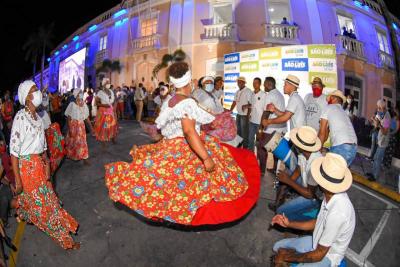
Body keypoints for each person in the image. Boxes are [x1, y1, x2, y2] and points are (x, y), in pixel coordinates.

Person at [104, 62, 260, 226]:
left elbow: (168, 128)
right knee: (200, 186)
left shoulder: (171, 100)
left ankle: (170, 213)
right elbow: (189, 131)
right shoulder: (186, 103)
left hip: (171, 145)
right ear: (189, 80)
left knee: (172, 186)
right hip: (185, 146)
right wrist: (206, 158)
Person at [10, 80, 79, 249]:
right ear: (26, 97)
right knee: (45, 206)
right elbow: (13, 152)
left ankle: (18, 207)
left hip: (40, 166)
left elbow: (43, 147)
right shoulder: (20, 117)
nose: (38, 92)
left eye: (37, 89)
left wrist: (47, 165)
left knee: (49, 201)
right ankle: (64, 239)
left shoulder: (39, 118)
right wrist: (18, 180)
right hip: (27, 168)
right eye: (34, 90)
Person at [272, 153, 355, 267]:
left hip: (328, 255)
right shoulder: (329, 196)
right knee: (277, 247)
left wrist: (286, 258)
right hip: (316, 242)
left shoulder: (338, 212)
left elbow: (319, 254)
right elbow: (317, 223)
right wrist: (288, 224)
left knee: (279, 259)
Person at [274, 126, 322, 221]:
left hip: (315, 197)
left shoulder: (315, 163)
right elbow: (298, 170)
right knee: (288, 173)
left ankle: (313, 217)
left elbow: (310, 194)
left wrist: (288, 181)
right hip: (307, 185)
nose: (293, 144)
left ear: (301, 146)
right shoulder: (303, 154)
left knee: (280, 212)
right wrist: (286, 183)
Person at [318, 90, 358, 166]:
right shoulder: (342, 112)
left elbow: (322, 132)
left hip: (341, 147)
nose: (328, 100)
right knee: (338, 175)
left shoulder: (328, 107)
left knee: (329, 174)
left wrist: (317, 151)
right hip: (353, 148)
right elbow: (326, 134)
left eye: (330, 98)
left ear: (334, 99)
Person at [192, 76, 237, 143]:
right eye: (207, 82)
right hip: (208, 122)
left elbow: (218, 106)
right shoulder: (198, 92)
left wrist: (224, 111)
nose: (209, 84)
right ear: (202, 84)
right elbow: (197, 105)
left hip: (216, 120)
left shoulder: (213, 94)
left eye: (211, 83)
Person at [257, 77, 287, 174]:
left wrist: (261, 128)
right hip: (281, 127)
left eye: (264, 84)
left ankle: (261, 170)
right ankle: (274, 168)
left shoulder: (270, 95)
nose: (263, 86)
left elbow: (266, 113)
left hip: (271, 128)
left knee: (261, 147)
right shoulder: (280, 94)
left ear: (269, 84)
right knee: (276, 149)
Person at [65, 89, 93, 164]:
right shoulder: (72, 104)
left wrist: (91, 127)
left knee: (83, 142)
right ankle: (73, 155)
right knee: (73, 142)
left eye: (81, 93)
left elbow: (86, 118)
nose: (81, 94)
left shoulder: (84, 104)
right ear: (76, 95)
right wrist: (70, 128)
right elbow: (68, 118)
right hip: (73, 125)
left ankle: (85, 158)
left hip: (81, 126)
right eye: (79, 93)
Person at [366, 100, 391, 181]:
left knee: (378, 159)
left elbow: (385, 131)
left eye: (379, 108)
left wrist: (379, 124)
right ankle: (373, 173)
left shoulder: (387, 117)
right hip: (379, 140)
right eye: (378, 108)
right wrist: (374, 120)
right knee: (375, 158)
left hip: (383, 141)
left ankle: (375, 176)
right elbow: (376, 125)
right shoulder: (381, 114)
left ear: (383, 107)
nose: (378, 109)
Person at [38, 104, 65, 175]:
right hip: (44, 137)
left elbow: (49, 124)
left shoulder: (43, 113)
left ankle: (52, 169)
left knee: (51, 153)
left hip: (48, 136)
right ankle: (51, 170)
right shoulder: (40, 114)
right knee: (49, 154)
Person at [230, 77, 253, 148]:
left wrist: (247, 116)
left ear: (244, 83)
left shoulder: (248, 91)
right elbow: (234, 102)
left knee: (244, 133)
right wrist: (230, 110)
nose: (239, 83)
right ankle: (238, 148)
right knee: (238, 132)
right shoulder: (237, 92)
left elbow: (251, 104)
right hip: (238, 115)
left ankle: (245, 149)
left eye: (240, 82)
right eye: (238, 82)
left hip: (245, 115)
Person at [94, 78, 118, 145]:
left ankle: (113, 137)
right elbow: (96, 103)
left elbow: (115, 101)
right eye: (107, 83)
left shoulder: (111, 91)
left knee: (113, 124)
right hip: (103, 112)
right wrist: (104, 105)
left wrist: (114, 107)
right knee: (105, 126)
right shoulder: (100, 93)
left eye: (109, 82)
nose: (108, 84)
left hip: (110, 111)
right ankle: (103, 139)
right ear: (103, 84)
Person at [246, 78, 266, 152]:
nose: (254, 84)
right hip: (252, 121)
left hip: (259, 122)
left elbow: (265, 109)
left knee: (259, 140)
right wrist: (248, 115)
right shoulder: (252, 93)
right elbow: (251, 105)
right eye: (253, 83)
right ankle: (251, 154)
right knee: (250, 138)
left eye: (256, 83)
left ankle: (259, 155)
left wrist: (262, 122)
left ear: (260, 84)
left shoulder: (264, 94)